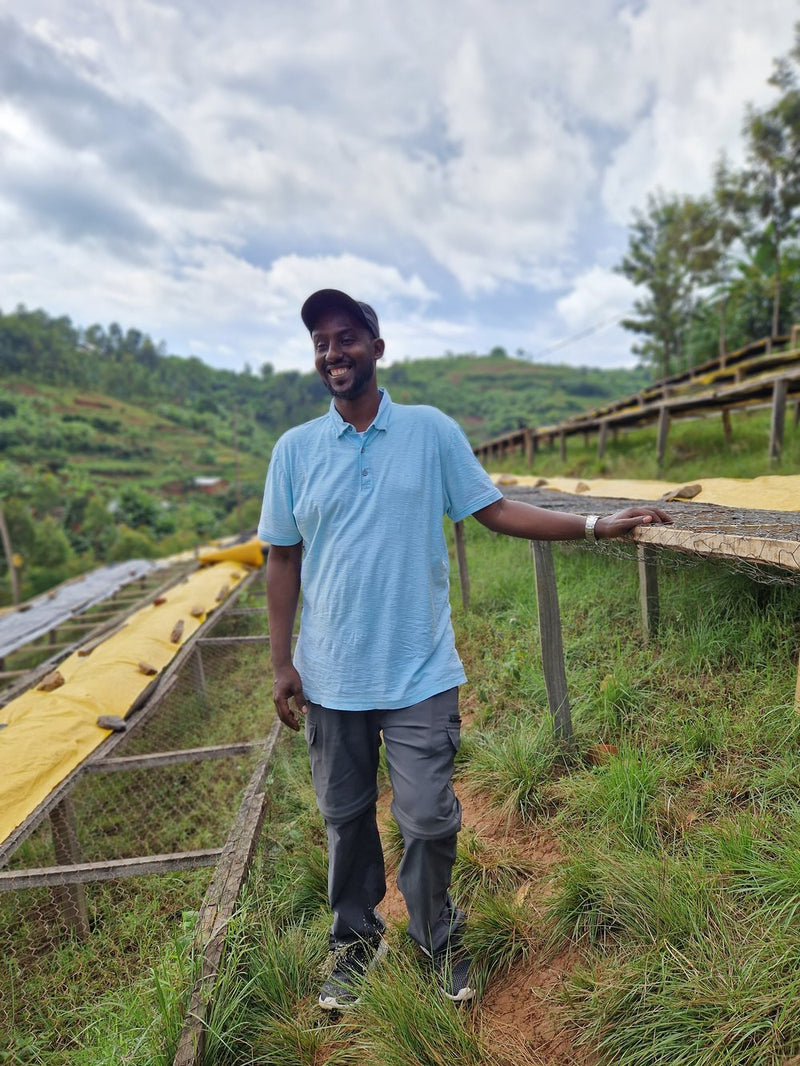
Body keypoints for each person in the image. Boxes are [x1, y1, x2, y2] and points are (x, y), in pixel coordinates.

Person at [258, 288, 672, 1011]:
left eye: (347, 337)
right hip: (331, 676)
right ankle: (355, 944)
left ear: (377, 349)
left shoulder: (430, 432)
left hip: (419, 670)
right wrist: (281, 662)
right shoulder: (294, 452)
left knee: (426, 818)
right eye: (322, 342)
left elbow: (494, 509)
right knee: (345, 820)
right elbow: (282, 559)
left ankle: (435, 935)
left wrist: (594, 525)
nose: (333, 352)